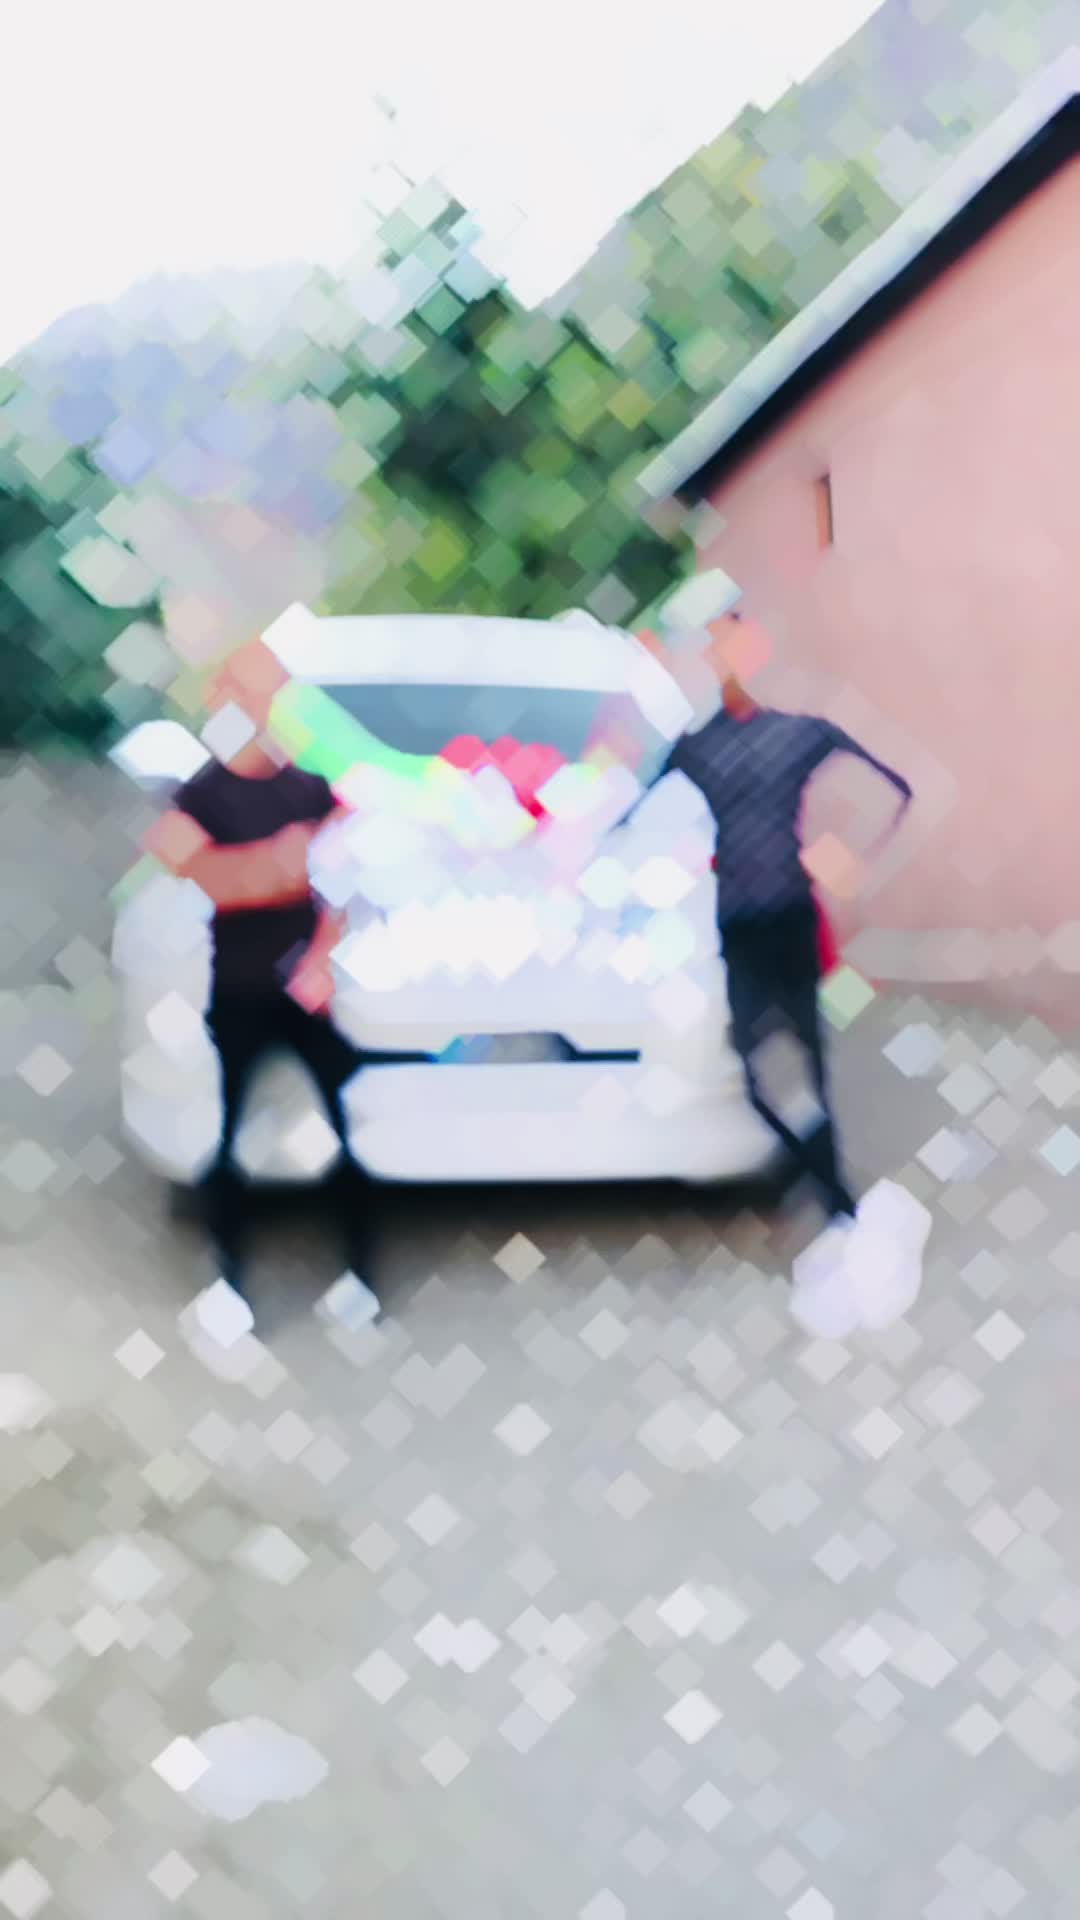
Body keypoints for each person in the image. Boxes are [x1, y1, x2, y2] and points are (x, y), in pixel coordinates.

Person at [633, 582, 912, 1225]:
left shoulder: (791, 735)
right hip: (750, 921)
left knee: (799, 1064)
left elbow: (898, 788)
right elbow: (633, 817)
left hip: (777, 916)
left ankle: (832, 1197)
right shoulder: (701, 746)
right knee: (770, 1071)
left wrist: (850, 857)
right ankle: (825, 1184)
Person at [142, 638, 380, 1332]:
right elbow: (203, 874)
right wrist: (281, 864)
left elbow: (339, 886)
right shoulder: (200, 795)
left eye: (270, 691)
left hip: (305, 992)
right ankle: (229, 1288)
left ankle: (360, 1282)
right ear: (221, 696)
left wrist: (320, 959)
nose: (258, 705)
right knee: (227, 1143)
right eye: (247, 690)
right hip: (239, 992)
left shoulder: (309, 787)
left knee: (345, 1133)